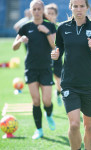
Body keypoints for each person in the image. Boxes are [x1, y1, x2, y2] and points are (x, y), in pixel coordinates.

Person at [51, 0, 91, 149]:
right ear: (70, 7)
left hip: (90, 84)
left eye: (82, 6)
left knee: (89, 126)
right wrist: (55, 56)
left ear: (87, 7)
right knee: (75, 124)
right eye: (75, 6)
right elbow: (59, 49)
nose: (78, 9)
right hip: (69, 83)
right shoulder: (62, 28)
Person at [12, 0, 56, 139]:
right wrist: (20, 41)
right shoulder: (25, 27)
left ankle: (48, 114)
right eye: (34, 9)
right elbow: (14, 47)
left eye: (39, 9)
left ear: (42, 10)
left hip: (46, 68)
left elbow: (55, 46)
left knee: (47, 101)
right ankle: (39, 130)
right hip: (31, 68)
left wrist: (47, 32)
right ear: (30, 11)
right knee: (36, 101)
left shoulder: (50, 26)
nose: (36, 11)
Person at [45, 3, 63, 106]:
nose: (50, 15)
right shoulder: (41, 26)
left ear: (56, 14)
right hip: (44, 58)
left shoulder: (60, 26)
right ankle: (47, 105)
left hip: (56, 57)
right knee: (45, 83)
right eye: (48, 13)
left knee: (59, 82)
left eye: (52, 13)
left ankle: (58, 93)